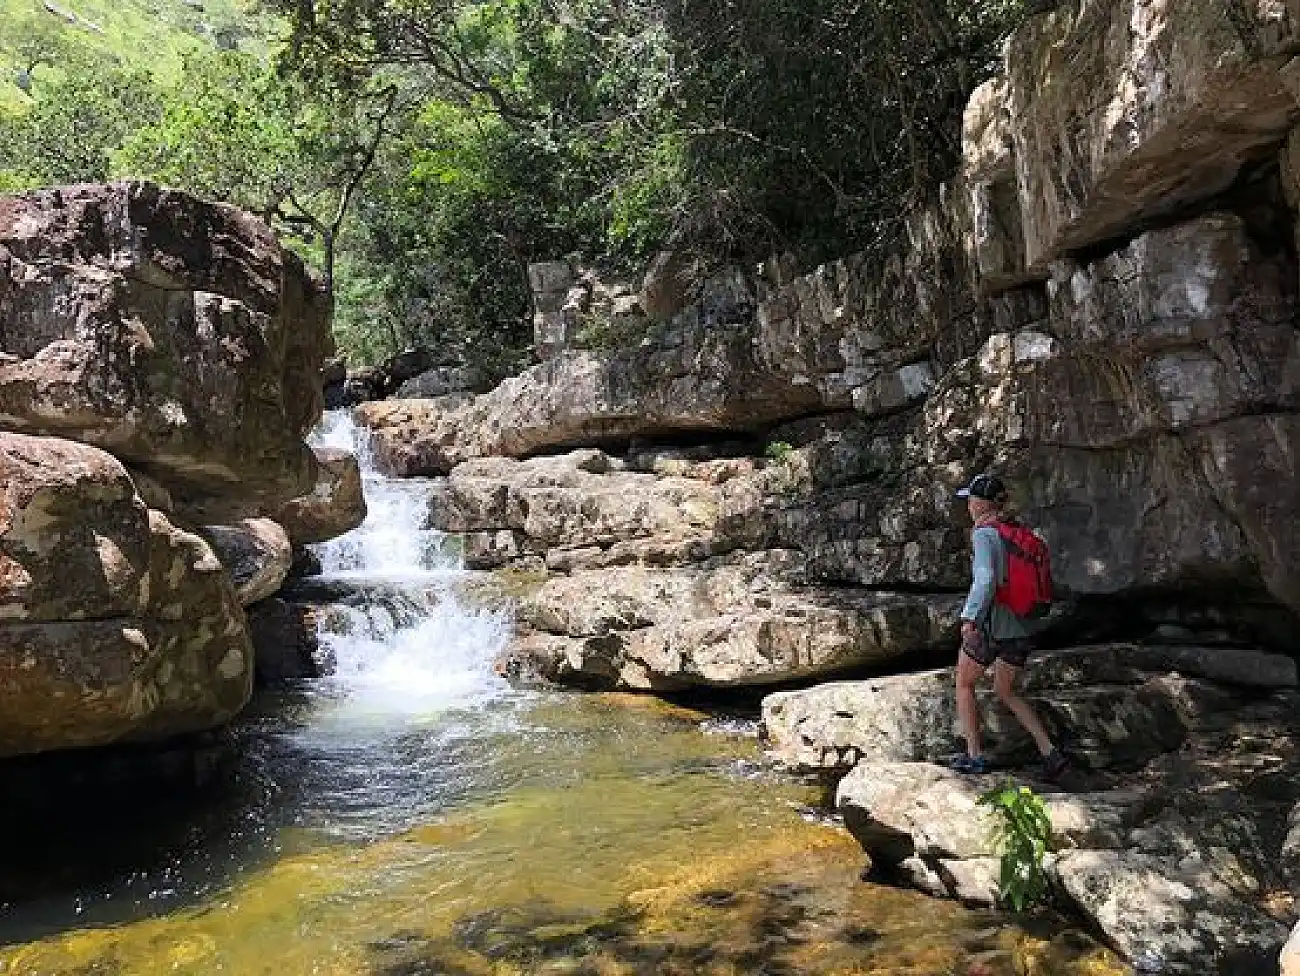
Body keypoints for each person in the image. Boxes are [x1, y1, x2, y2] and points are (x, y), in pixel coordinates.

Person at [949, 473, 1067, 779]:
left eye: (971, 500)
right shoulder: (1016, 531)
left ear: (980, 503)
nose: (969, 506)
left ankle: (975, 756)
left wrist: (970, 616)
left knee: (963, 683)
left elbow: (986, 579)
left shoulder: (985, 535)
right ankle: (1049, 752)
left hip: (994, 625)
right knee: (1005, 690)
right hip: (1023, 626)